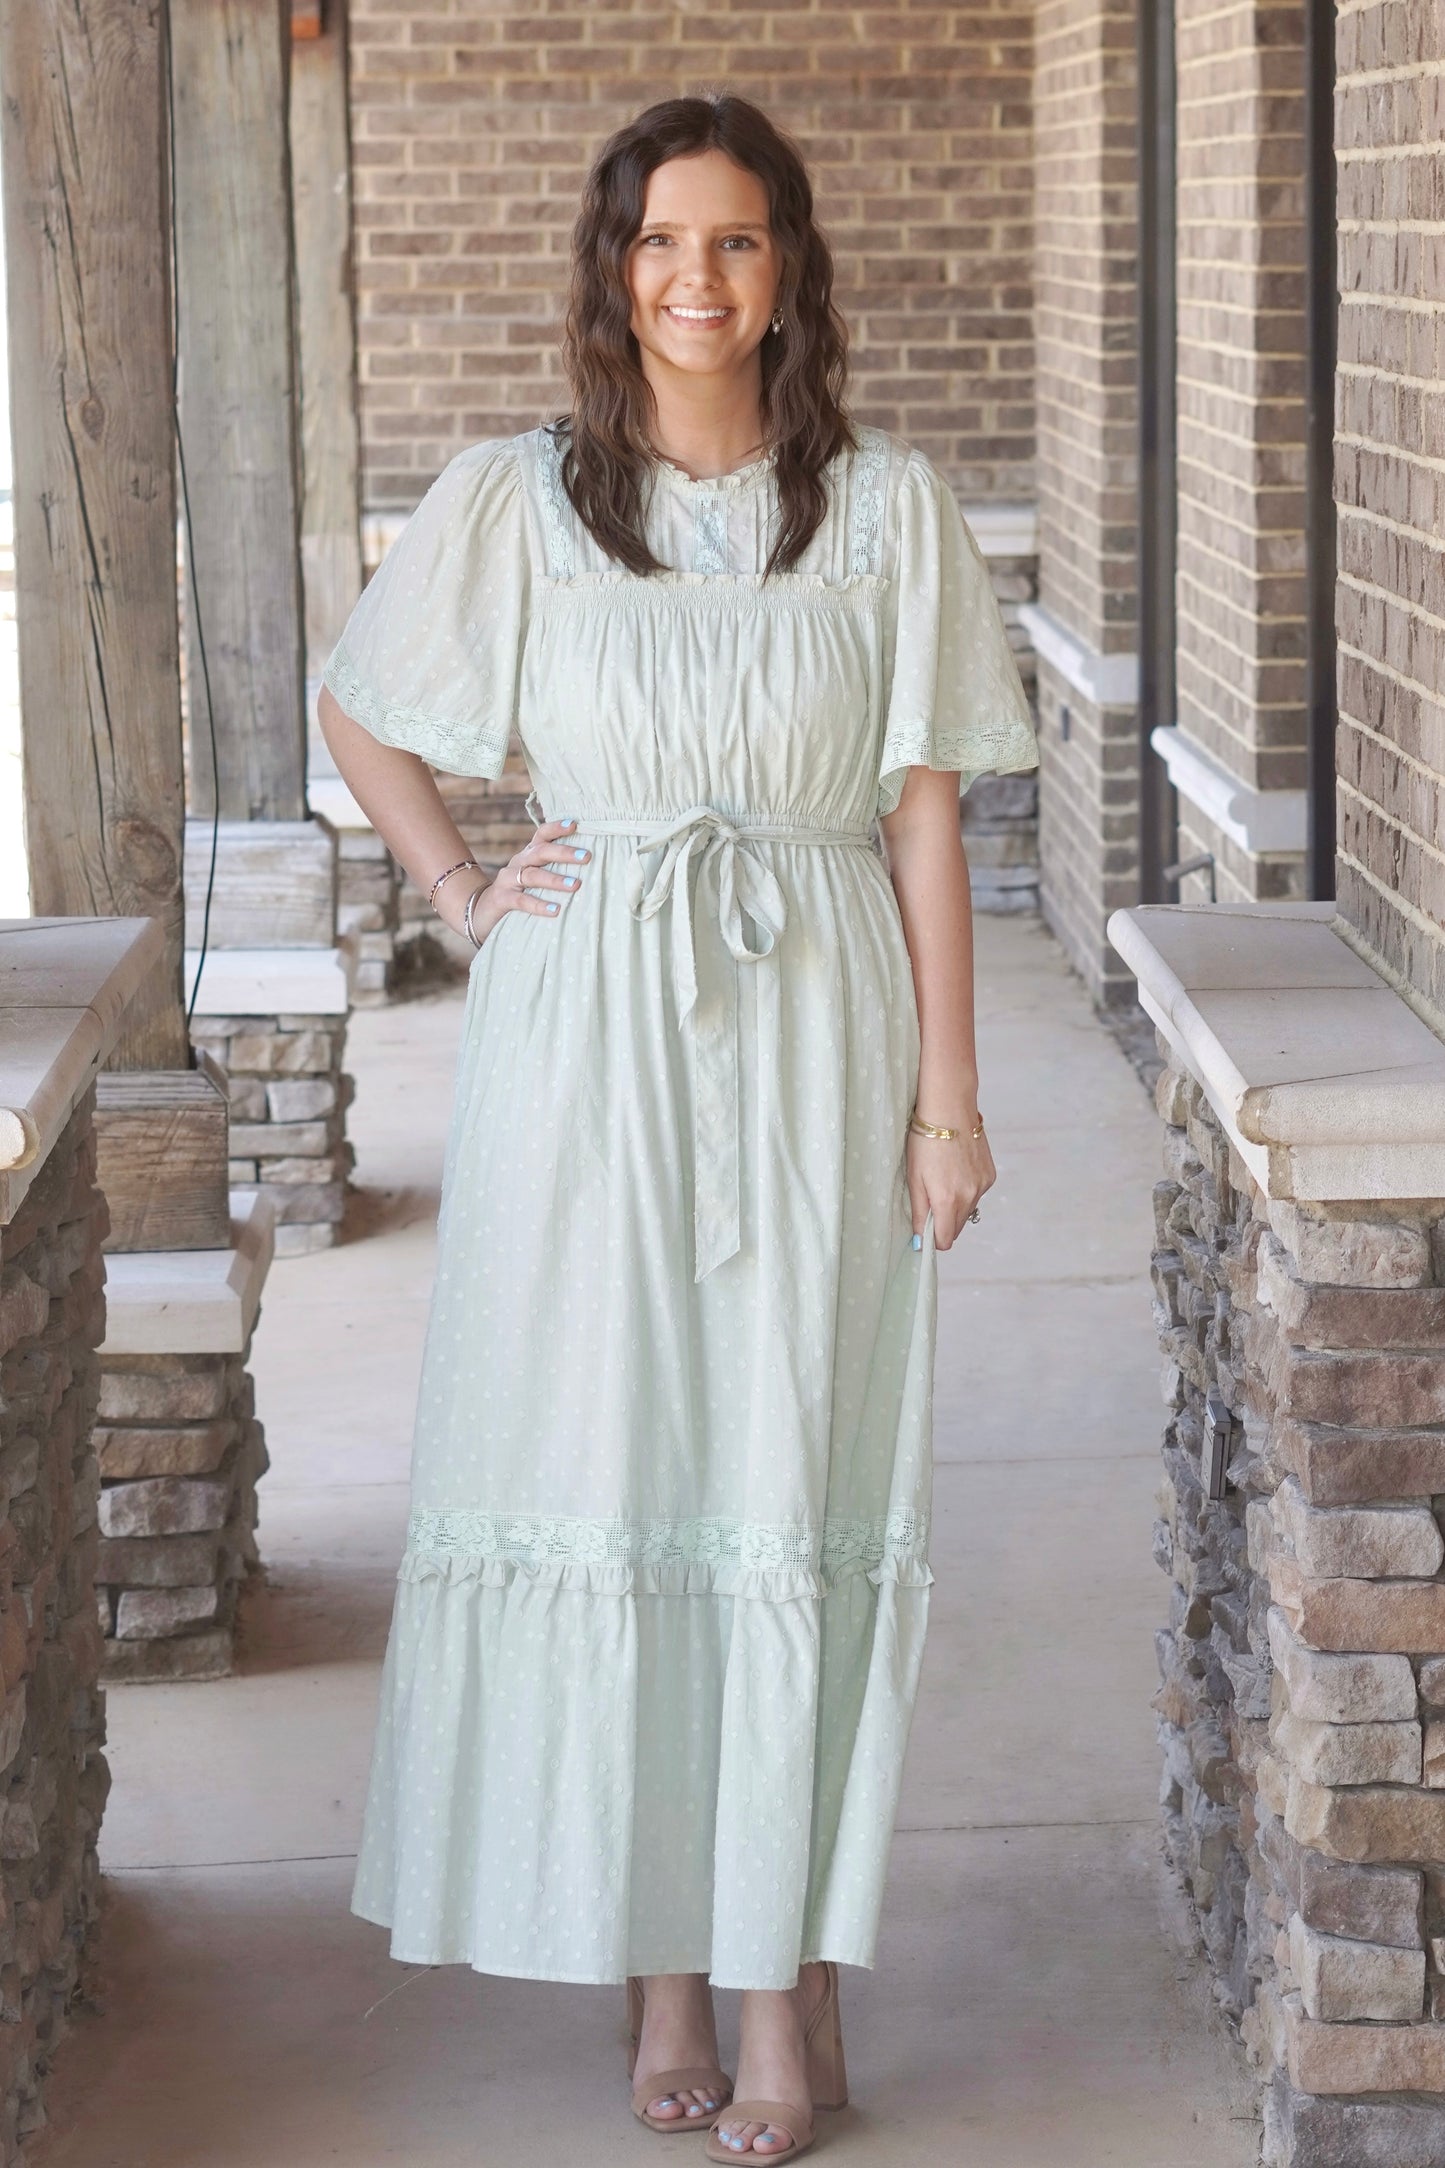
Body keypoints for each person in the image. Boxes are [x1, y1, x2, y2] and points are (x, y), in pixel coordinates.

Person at [318, 92, 1038, 2162]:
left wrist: (950, 1097)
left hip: (816, 1018)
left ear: (787, 269)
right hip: (586, 1035)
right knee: (615, 1459)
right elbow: (362, 702)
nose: (694, 280)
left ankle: (785, 1985)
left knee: (788, 1475)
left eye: (733, 241)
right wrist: (464, 887)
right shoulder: (522, 495)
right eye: (658, 242)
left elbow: (922, 815)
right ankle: (662, 1974)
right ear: (612, 267)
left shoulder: (885, 510)